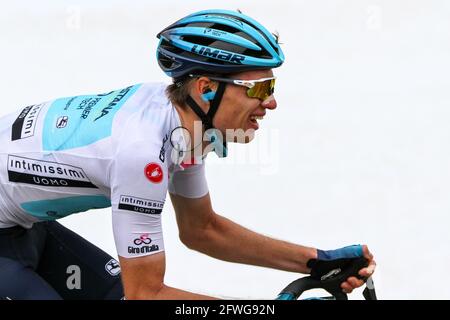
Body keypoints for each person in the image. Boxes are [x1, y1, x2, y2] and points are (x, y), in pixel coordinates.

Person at [0, 9, 375, 300]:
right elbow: (146, 293)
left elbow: (202, 230)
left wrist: (315, 261)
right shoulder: (141, 153)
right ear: (206, 88)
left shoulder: (182, 125)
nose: (272, 102)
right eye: (260, 88)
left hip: (22, 228)